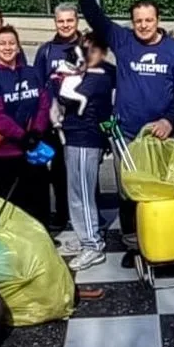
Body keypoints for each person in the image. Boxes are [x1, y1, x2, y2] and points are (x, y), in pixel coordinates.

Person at [73, 0, 174, 264]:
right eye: (138, 20)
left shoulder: (173, 50)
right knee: (129, 190)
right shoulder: (123, 40)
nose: (143, 25)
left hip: (162, 134)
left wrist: (169, 120)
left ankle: (164, 238)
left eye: (148, 20)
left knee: (164, 188)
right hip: (126, 133)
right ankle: (133, 244)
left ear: (157, 19)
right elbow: (97, 20)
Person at [52, 33, 116, 272]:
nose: (86, 55)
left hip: (84, 137)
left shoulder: (98, 76)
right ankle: (87, 235)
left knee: (81, 193)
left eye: (92, 50)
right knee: (78, 191)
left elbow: (65, 98)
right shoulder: (97, 72)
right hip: (79, 136)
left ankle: (92, 245)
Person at [0, 25, 51, 225]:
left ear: (18, 47)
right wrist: (21, 135)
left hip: (32, 151)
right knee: (9, 207)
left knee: (37, 200)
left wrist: (36, 131)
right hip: (3, 154)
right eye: (2, 43)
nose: (7, 47)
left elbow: (43, 103)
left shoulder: (31, 72)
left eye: (12, 43)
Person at [35, 3, 83, 232]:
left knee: (83, 170)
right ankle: (63, 213)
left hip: (82, 121)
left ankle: (86, 217)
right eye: (61, 21)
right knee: (58, 171)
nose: (65, 25)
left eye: (69, 21)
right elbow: (37, 84)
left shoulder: (88, 47)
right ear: (55, 22)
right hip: (53, 122)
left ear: (77, 21)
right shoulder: (45, 50)